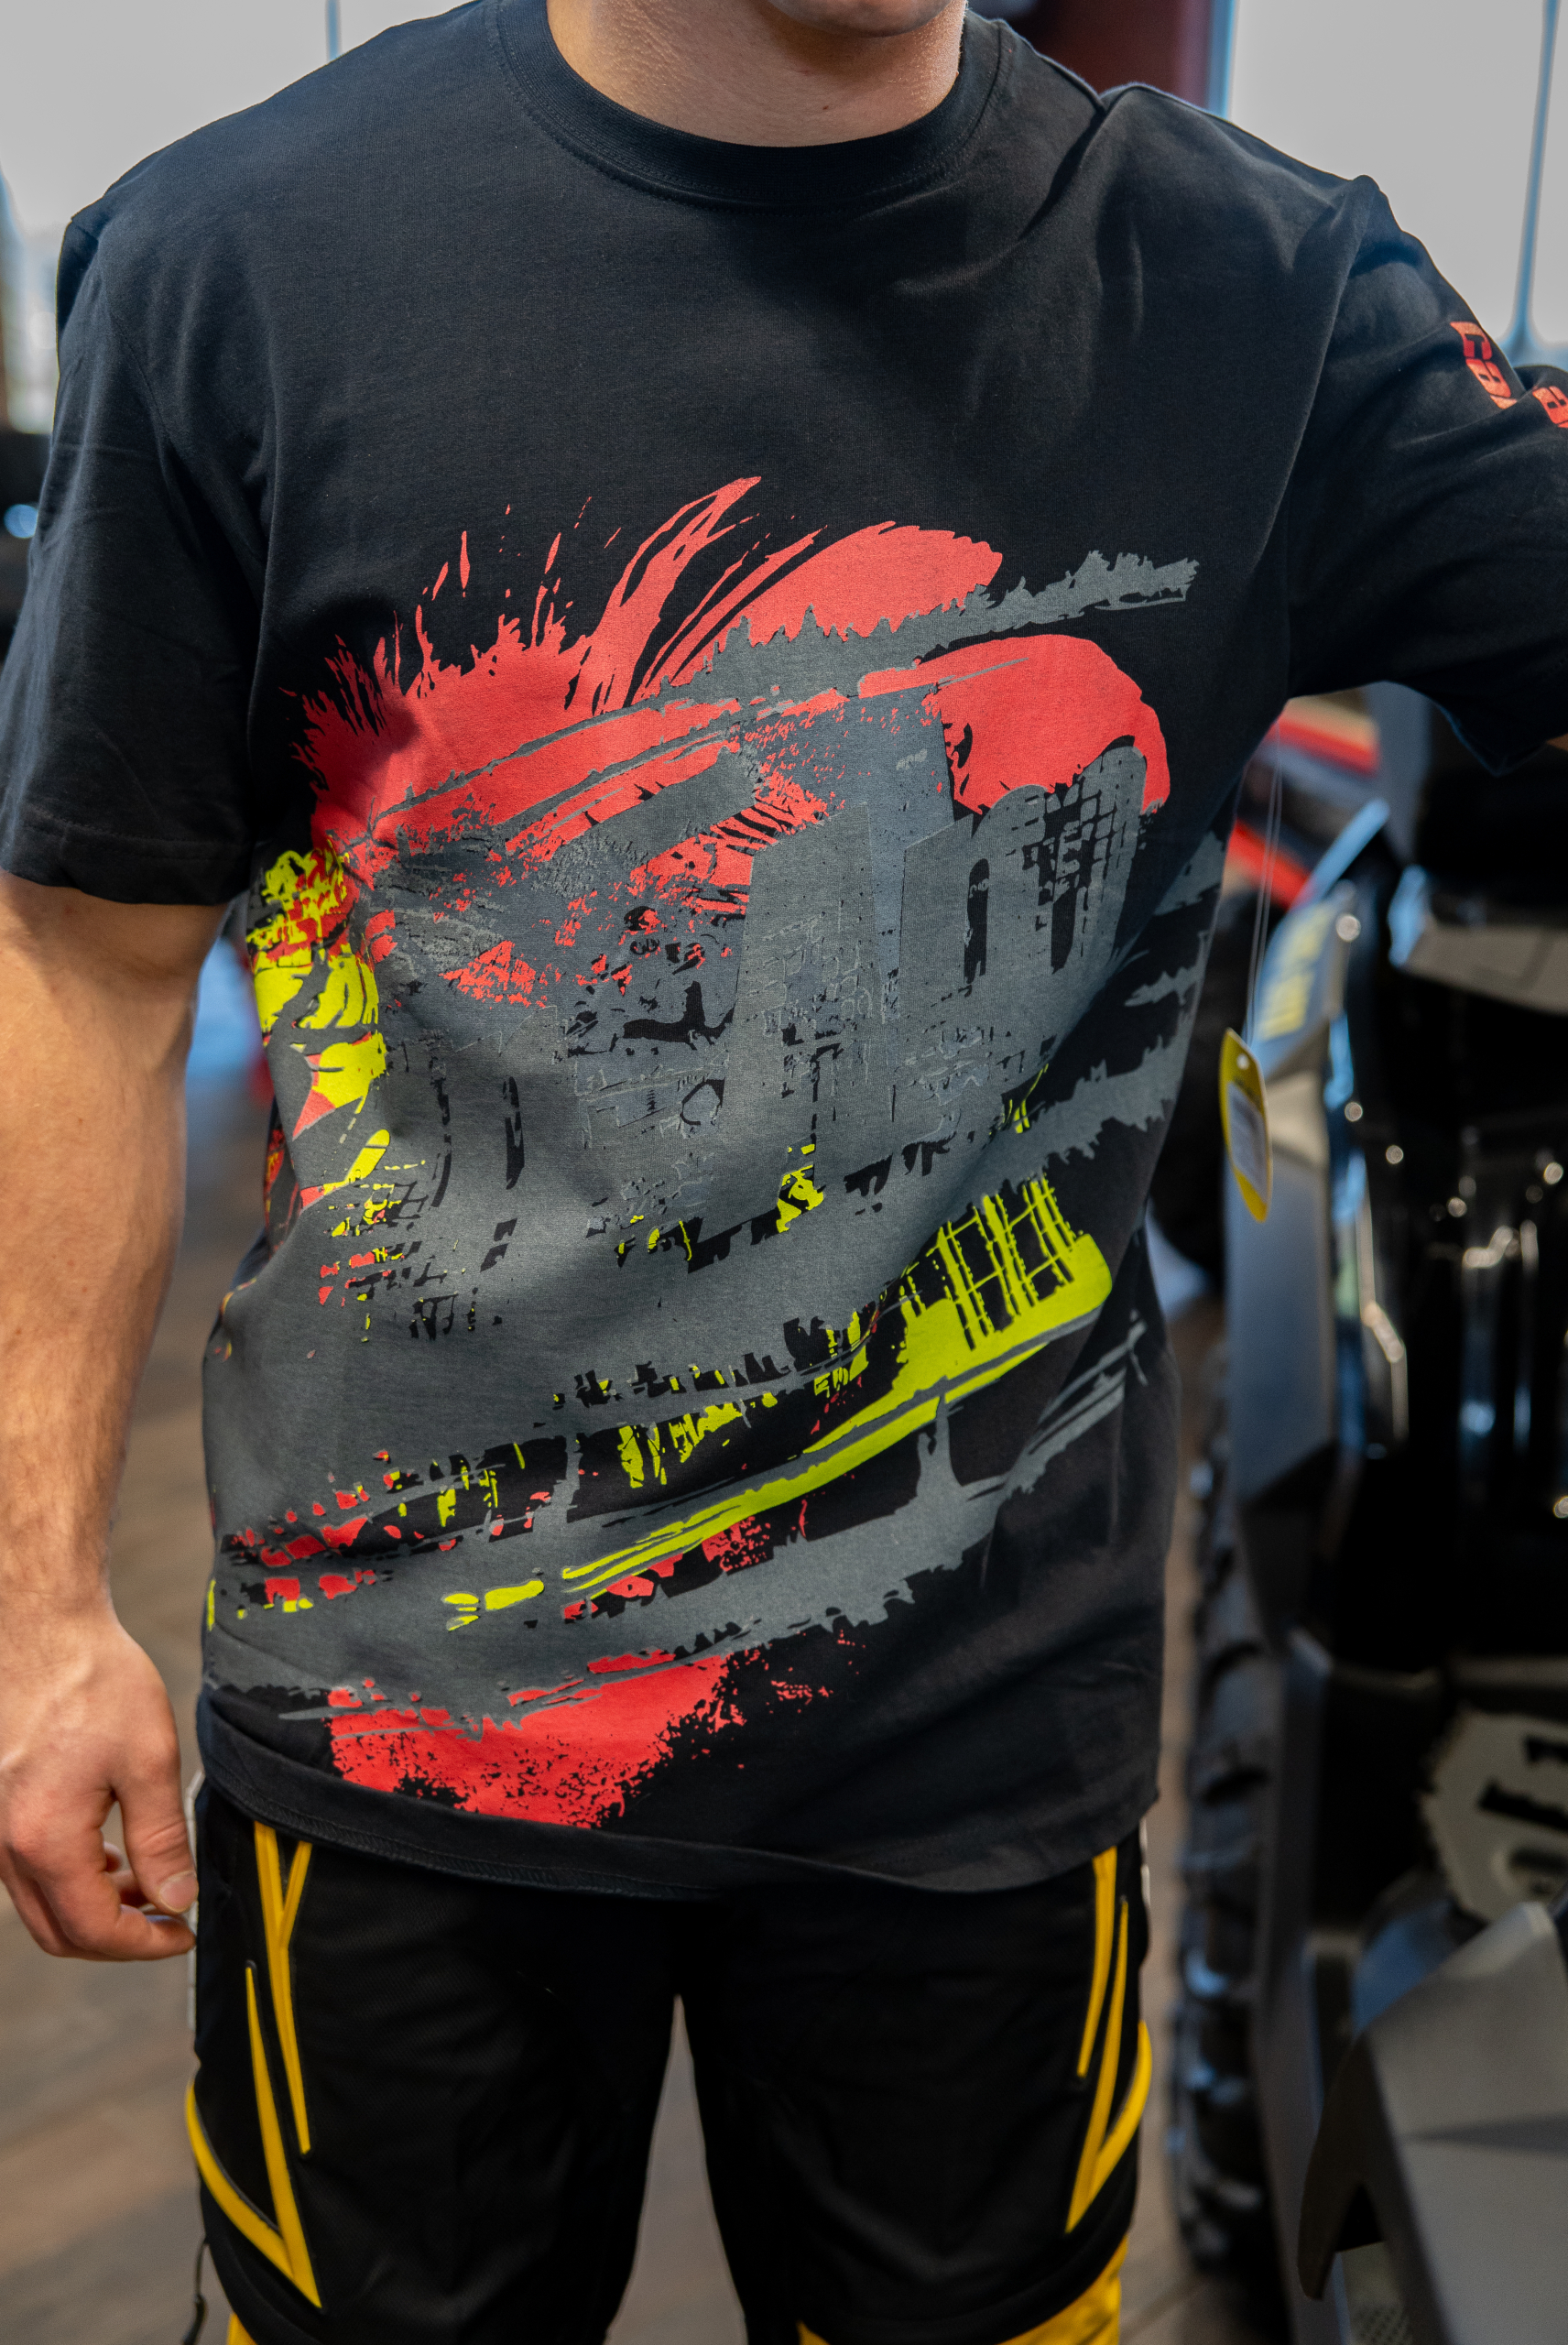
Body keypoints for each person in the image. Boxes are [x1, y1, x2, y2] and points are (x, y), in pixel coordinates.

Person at [1, 2, 1564, 2339]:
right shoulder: (249, 257)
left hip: (976, 1759)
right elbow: (87, 959)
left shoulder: (1261, 294)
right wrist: (34, 1599)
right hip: (410, 1723)